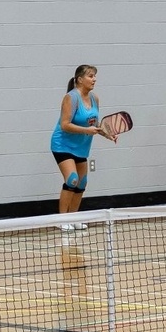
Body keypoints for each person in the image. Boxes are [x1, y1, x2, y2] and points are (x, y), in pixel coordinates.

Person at [50, 65, 113, 231]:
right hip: (62, 144)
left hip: (81, 145)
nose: (94, 79)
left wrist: (107, 134)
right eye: (91, 76)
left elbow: (94, 124)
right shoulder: (71, 98)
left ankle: (75, 217)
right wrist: (87, 131)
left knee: (82, 182)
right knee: (72, 179)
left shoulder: (95, 99)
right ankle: (62, 219)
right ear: (79, 79)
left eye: (95, 76)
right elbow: (65, 125)